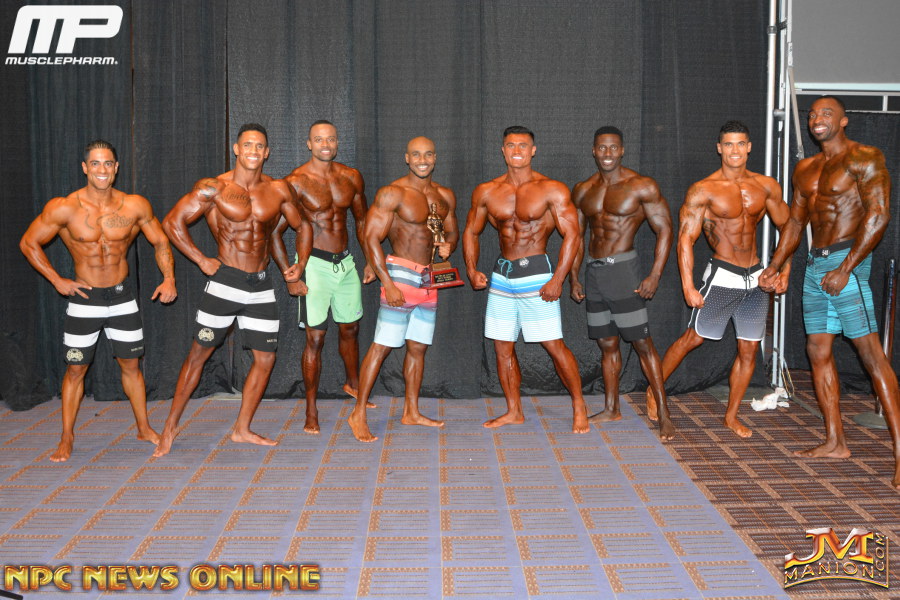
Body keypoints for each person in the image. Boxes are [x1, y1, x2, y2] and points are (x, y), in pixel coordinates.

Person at [759, 96, 900, 489]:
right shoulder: (805, 169)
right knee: (817, 351)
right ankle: (836, 442)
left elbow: (878, 215)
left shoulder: (864, 157)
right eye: (812, 114)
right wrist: (774, 265)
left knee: (871, 355)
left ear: (844, 120)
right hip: (816, 265)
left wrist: (846, 268)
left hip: (846, 262)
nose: (816, 119)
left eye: (826, 113)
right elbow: (795, 222)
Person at [153, 123, 308, 457]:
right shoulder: (214, 187)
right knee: (199, 354)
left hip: (260, 284)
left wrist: (300, 264)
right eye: (247, 145)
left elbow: (303, 225)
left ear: (267, 152)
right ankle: (169, 428)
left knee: (265, 358)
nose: (253, 151)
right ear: (236, 149)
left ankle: (242, 429)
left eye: (259, 146)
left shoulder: (278, 189)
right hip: (225, 282)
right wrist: (201, 260)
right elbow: (171, 222)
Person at [20, 140, 177, 462]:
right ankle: (66, 436)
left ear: (116, 168)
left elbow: (161, 241)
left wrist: (169, 278)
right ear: (85, 168)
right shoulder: (64, 207)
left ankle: (143, 427)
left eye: (108, 163)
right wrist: (56, 280)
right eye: (95, 163)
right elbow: (29, 242)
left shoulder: (135, 205)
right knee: (76, 369)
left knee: (131, 366)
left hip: (122, 297)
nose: (102, 170)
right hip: (85, 299)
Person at [647, 120, 788, 438]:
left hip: (756, 278)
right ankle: (654, 391)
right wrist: (688, 285)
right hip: (723, 276)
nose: (734, 150)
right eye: (728, 144)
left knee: (749, 351)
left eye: (740, 143)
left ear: (749, 147)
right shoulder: (704, 189)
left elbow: (789, 228)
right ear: (719, 148)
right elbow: (686, 238)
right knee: (692, 339)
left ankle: (731, 415)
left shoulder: (766, 186)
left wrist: (784, 271)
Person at [463, 126, 589, 434]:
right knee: (502, 348)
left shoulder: (551, 189)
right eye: (510, 145)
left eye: (523, 145)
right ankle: (513, 411)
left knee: (554, 345)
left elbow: (573, 234)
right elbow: (471, 231)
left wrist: (558, 279)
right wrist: (471, 268)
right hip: (502, 276)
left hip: (536, 274)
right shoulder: (487, 191)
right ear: (503, 150)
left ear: (533, 150)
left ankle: (579, 405)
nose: (517, 150)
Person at [347, 136, 458, 442]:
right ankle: (358, 413)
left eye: (428, 154)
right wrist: (387, 281)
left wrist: (448, 246)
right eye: (416, 155)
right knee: (382, 345)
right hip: (399, 275)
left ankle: (411, 411)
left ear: (435, 158)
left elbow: (452, 232)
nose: (423, 160)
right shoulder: (392, 193)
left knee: (418, 347)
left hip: (429, 278)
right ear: (407, 158)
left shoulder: (444, 195)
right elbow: (371, 237)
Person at [569, 126, 675, 440]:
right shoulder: (583, 190)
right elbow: (577, 238)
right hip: (594, 273)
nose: (607, 154)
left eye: (613, 147)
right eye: (602, 148)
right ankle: (612, 407)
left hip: (624, 271)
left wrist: (655, 274)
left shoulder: (641, 185)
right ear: (593, 150)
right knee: (607, 344)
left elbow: (665, 229)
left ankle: (664, 413)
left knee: (642, 343)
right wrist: (574, 276)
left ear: (622, 150)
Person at [272, 120, 371, 434]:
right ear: (309, 144)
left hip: (346, 264)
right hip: (314, 266)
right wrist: (290, 275)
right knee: (315, 338)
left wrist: (370, 261)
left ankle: (353, 384)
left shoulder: (351, 177)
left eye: (330, 139)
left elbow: (362, 221)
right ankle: (311, 409)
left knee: (351, 328)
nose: (325, 145)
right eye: (319, 139)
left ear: (337, 142)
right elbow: (275, 232)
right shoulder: (295, 182)